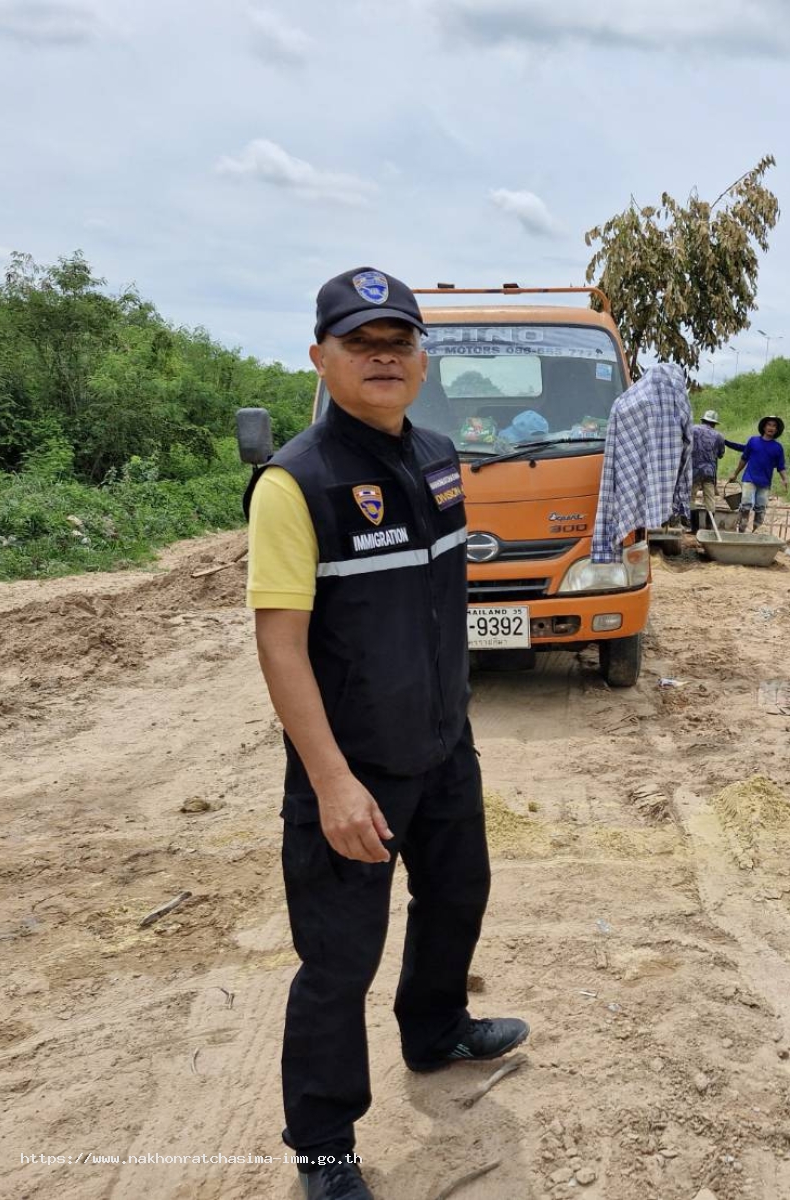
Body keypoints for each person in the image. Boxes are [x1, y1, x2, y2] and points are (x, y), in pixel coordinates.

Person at [244, 267, 528, 1200]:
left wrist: (454, 714)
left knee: (458, 898)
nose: (383, 358)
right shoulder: (296, 483)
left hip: (445, 746)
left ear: (421, 358)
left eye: (398, 342)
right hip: (355, 768)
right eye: (361, 343)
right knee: (337, 962)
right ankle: (324, 1144)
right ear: (320, 357)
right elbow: (280, 645)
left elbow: (439, 601)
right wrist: (329, 782)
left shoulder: (441, 456)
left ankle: (434, 1030)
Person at [686, 408, 746, 532]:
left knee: (690, 498)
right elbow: (720, 454)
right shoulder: (719, 436)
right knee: (709, 498)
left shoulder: (692, 429)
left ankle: (694, 528)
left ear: (703, 420)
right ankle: (709, 527)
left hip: (694, 470)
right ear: (714, 423)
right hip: (709, 472)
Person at [730, 414, 788, 532]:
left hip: (765, 482)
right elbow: (744, 459)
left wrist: (785, 479)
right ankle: (740, 531)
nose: (771, 427)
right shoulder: (753, 441)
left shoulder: (778, 448)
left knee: (760, 509)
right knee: (746, 504)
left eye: (774, 426)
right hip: (749, 478)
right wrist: (735, 473)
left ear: (777, 430)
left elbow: (780, 466)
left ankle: (755, 532)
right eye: (769, 425)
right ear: (764, 427)